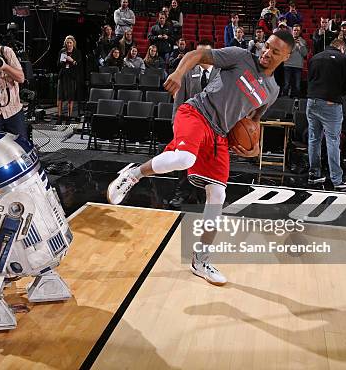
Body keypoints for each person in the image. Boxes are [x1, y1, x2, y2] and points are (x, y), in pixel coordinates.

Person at [106, 31, 295, 286]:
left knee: (218, 197)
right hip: (197, 113)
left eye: (274, 51)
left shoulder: (272, 90)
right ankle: (133, 175)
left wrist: (254, 148)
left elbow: (253, 122)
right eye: (266, 46)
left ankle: (200, 260)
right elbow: (197, 54)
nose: (266, 52)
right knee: (184, 158)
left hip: (219, 136)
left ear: (287, 56)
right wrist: (178, 74)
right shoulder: (240, 57)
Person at [169, 40, 219, 209]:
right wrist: (175, 123)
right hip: (190, 125)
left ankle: (203, 196)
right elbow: (179, 101)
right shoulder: (188, 73)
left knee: (208, 165)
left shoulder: (221, 74)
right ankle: (181, 194)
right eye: (198, 53)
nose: (202, 56)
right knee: (183, 161)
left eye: (206, 53)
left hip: (213, 127)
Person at [306, 39, 346, 191]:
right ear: (341, 47)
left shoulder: (315, 57)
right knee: (333, 141)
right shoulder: (343, 58)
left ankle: (314, 174)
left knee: (314, 139)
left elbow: (310, 79)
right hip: (330, 103)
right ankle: (336, 180)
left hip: (311, 101)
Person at [55, 35, 82, 124]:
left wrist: (72, 60)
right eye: (67, 43)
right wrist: (63, 60)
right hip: (62, 75)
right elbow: (58, 64)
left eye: (70, 43)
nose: (69, 44)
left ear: (73, 43)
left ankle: (69, 117)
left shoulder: (77, 52)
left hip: (72, 76)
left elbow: (78, 65)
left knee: (70, 97)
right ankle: (59, 117)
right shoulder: (63, 51)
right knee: (60, 97)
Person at [283, 24, 308, 98]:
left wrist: (300, 45)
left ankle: (296, 99)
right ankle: (284, 99)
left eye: (297, 30)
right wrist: (293, 44)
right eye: (294, 30)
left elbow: (305, 54)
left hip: (298, 65)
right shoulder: (288, 40)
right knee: (286, 84)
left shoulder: (303, 41)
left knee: (297, 85)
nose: (296, 32)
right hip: (287, 64)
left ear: (300, 31)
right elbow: (286, 52)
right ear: (292, 31)